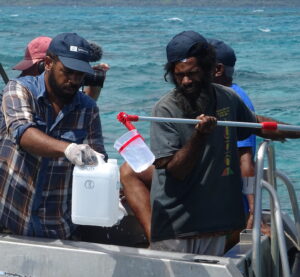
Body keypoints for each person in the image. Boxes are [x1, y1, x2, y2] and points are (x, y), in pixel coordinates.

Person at [149, 30, 300, 256]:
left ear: (210, 69)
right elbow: (176, 170)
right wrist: (200, 136)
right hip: (178, 228)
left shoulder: (227, 98)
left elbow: (257, 125)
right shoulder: (165, 109)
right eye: (179, 75)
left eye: (193, 73)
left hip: (216, 225)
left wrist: (297, 131)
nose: (186, 81)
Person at [0, 32, 107, 240]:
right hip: (9, 222)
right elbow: (23, 133)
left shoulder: (89, 109)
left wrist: (105, 184)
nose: (74, 80)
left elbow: (98, 158)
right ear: (48, 63)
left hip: (57, 229)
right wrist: (68, 149)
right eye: (67, 72)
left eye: (80, 74)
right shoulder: (19, 89)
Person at [12, 36, 109, 101]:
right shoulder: (18, 92)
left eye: (31, 69)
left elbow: (84, 105)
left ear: (48, 65)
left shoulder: (61, 89)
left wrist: (95, 80)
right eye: (25, 70)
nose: (24, 75)